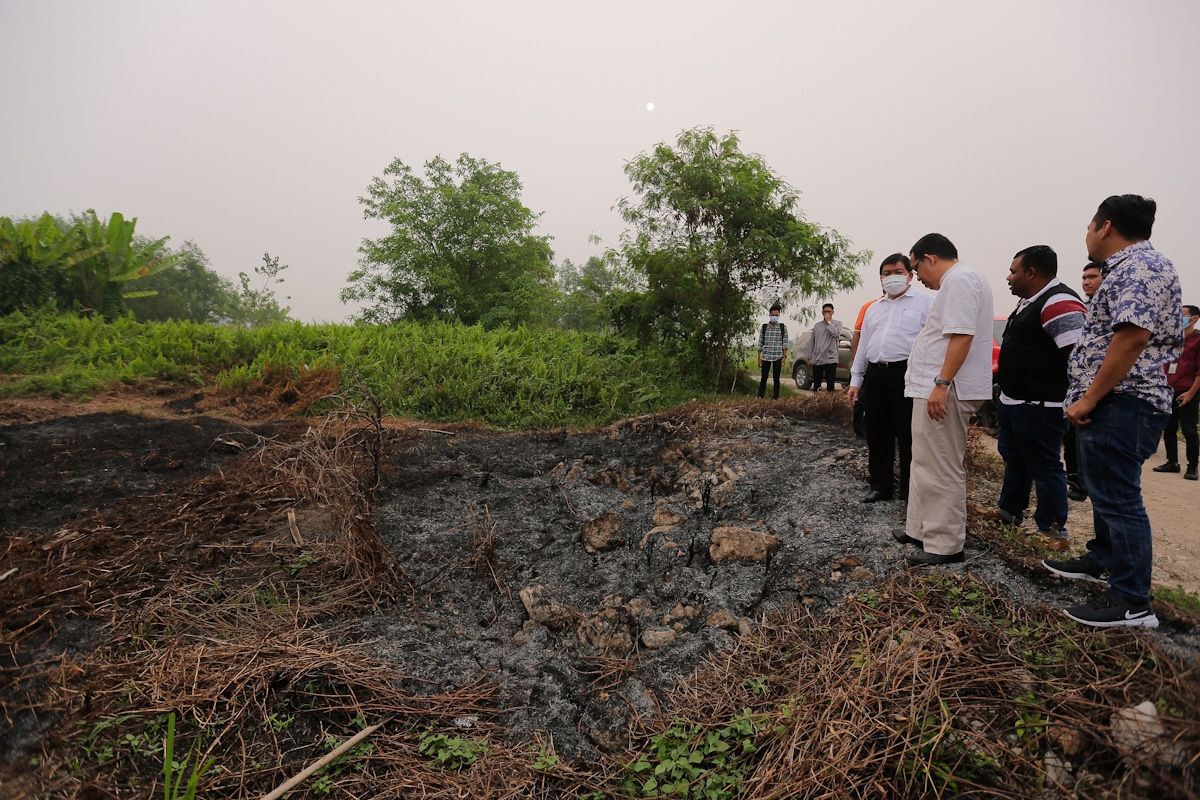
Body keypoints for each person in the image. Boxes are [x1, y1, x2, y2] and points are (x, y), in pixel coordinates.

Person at [1044, 194, 1182, 629]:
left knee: (1121, 500)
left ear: (1105, 227)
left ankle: (1132, 603)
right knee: (1106, 492)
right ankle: (1104, 559)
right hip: (1115, 401)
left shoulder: (1140, 268)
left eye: (1090, 225)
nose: (1086, 233)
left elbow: (1132, 338)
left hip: (1124, 401)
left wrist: (1090, 397)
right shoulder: (1128, 269)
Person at [891, 233, 993, 566]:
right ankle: (920, 528)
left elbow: (962, 336)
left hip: (946, 390)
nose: (918, 277)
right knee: (924, 462)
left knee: (941, 465)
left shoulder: (960, 280)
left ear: (931, 258)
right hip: (934, 387)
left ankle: (945, 544)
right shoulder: (958, 281)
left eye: (917, 267)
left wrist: (941, 383)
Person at [995, 246, 1086, 550]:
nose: (1008, 277)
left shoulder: (1059, 301)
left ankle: (1052, 529)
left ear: (1031, 273)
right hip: (1015, 403)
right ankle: (1010, 512)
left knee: (1045, 466)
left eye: (1013, 271)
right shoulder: (1028, 302)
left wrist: (1078, 401)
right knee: (1015, 461)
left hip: (1041, 407)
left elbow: (1079, 358)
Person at [847, 255, 932, 503]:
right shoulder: (874, 308)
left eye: (897, 271)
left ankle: (909, 493)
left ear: (909, 275)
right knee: (876, 431)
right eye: (886, 273)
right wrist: (855, 380)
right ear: (881, 278)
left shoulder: (926, 303)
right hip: (875, 375)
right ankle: (880, 487)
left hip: (907, 374)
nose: (892, 276)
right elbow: (863, 346)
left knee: (908, 435)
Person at [1064, 260, 1107, 500]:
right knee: (1072, 437)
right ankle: (1077, 483)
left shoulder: (1112, 308)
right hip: (1076, 386)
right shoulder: (1082, 308)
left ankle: (1094, 484)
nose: (1087, 282)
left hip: (1100, 386)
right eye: (1084, 278)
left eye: (1092, 277)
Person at [1151, 304, 1200, 479]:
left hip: (1187, 392)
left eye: (1182, 314)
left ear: (1194, 318)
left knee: (1189, 430)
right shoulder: (1172, 338)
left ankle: (1192, 467)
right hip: (1168, 391)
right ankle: (1172, 462)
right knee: (1169, 428)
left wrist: (1191, 394)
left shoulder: (1197, 339)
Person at [849, 296, 881, 437]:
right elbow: (857, 334)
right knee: (861, 398)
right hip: (867, 363)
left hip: (883, 366)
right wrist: (856, 359)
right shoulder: (869, 307)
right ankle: (858, 429)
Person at [757, 302, 789, 399]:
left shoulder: (783, 328)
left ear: (779, 315)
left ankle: (775, 398)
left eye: (776, 315)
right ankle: (760, 396)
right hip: (766, 356)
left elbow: (785, 343)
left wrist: (784, 357)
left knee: (776, 378)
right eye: (773, 315)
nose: (774, 317)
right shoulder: (764, 327)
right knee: (764, 378)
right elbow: (760, 343)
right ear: (769, 315)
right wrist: (759, 358)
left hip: (777, 356)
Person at [808, 303, 842, 392]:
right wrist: (809, 357)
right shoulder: (817, 325)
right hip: (817, 358)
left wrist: (828, 322)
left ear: (833, 312)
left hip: (830, 358)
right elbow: (812, 342)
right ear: (822, 313)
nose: (827, 313)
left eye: (829, 312)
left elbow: (836, 333)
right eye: (825, 312)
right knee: (817, 383)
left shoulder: (838, 324)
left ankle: (830, 403)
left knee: (830, 384)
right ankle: (817, 402)